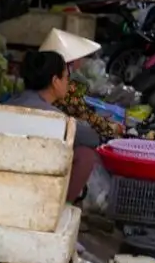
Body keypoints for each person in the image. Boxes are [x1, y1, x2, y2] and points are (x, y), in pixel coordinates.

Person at [6, 48, 99, 201]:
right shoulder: (53, 116)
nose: (68, 83)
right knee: (86, 155)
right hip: (33, 182)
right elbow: (92, 139)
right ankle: (62, 206)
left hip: (6, 172)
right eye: (66, 78)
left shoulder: (8, 103)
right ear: (55, 81)